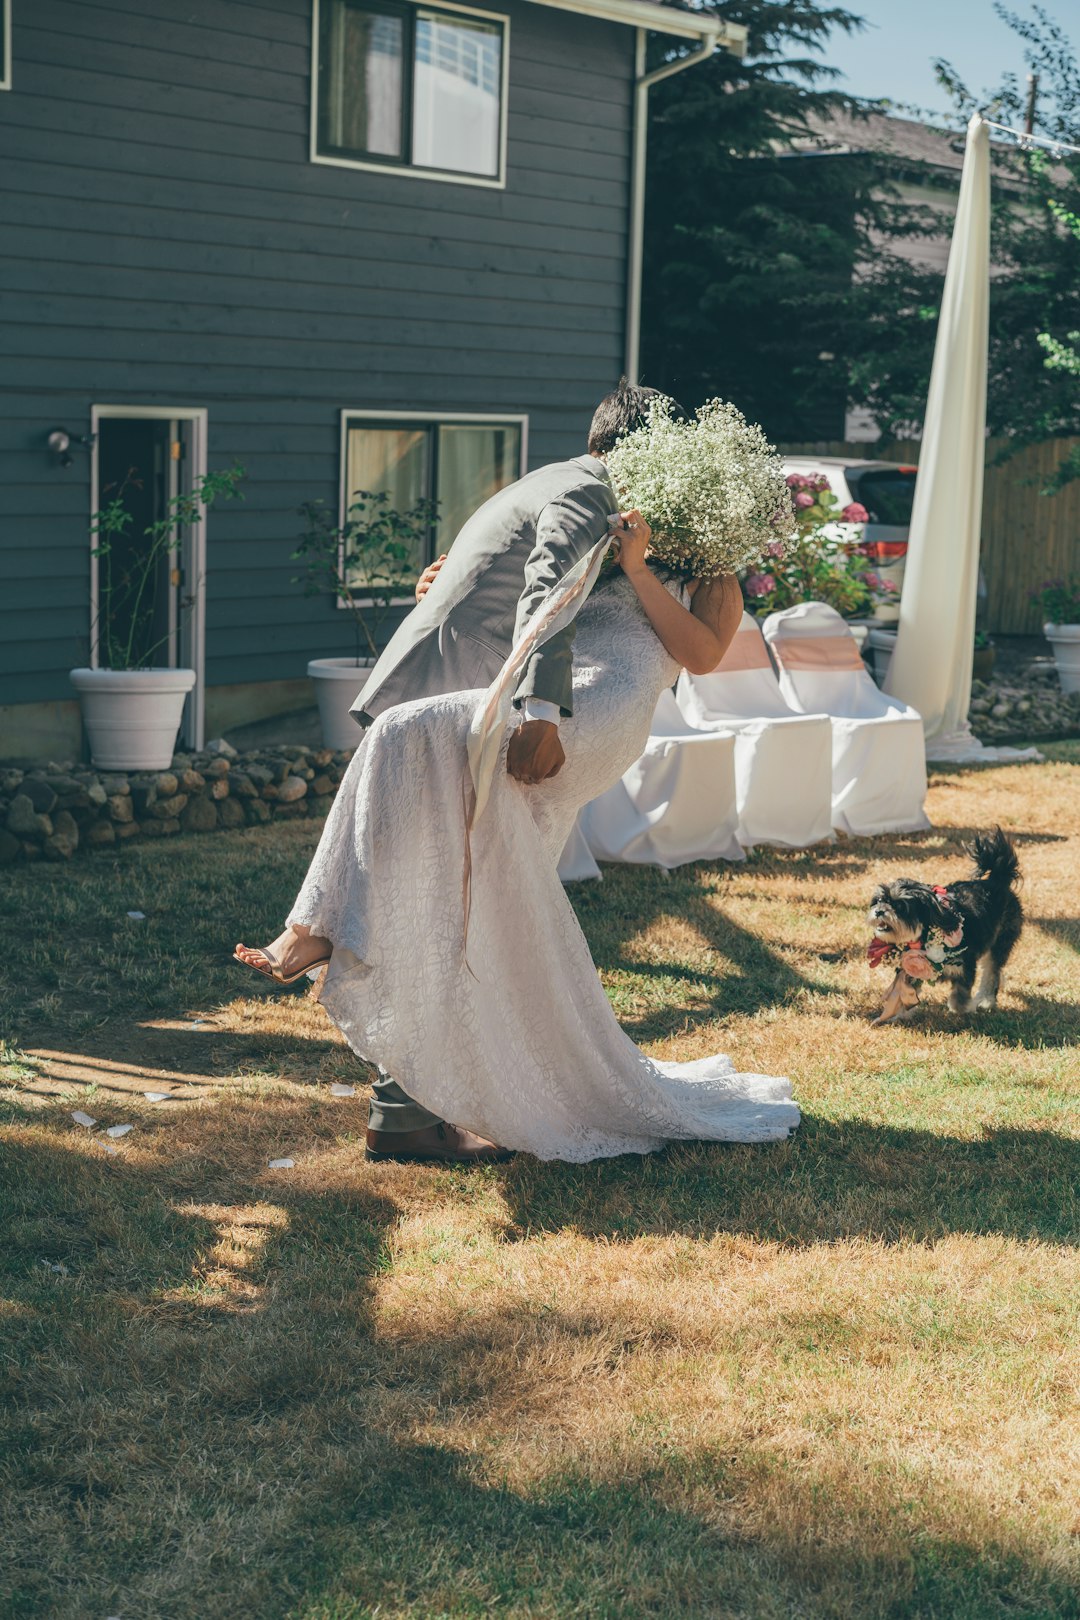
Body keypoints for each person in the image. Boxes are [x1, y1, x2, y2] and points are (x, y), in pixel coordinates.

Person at [235, 381, 799, 1162]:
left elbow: (701, 655)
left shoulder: (698, 563)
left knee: (413, 756)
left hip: (586, 719)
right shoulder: (602, 518)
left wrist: (637, 571)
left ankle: (322, 931)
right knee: (463, 899)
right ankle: (412, 1106)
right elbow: (540, 596)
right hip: (544, 713)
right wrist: (449, 585)